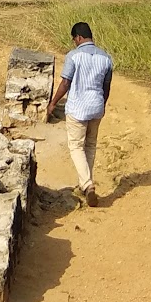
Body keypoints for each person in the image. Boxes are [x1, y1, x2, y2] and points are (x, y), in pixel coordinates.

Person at [47, 21, 113, 207]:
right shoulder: (106, 58)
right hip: (96, 107)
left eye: (74, 40)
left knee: (76, 146)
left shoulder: (73, 56)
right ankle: (86, 183)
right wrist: (103, 104)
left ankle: (87, 184)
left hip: (77, 108)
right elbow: (106, 87)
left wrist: (53, 103)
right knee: (90, 145)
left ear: (78, 37)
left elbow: (65, 83)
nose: (74, 43)